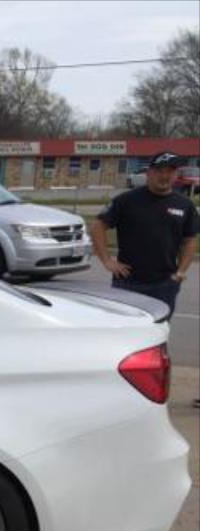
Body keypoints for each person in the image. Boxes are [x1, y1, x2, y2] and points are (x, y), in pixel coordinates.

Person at [91, 151, 198, 405]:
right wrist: (108, 261)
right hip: (128, 284)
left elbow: (191, 239)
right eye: (160, 170)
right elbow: (98, 225)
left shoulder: (184, 206)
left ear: (176, 175)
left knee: (157, 338)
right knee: (123, 337)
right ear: (148, 173)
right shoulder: (127, 201)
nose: (165, 176)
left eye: (170, 171)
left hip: (164, 285)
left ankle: (153, 391)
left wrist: (181, 271)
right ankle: (117, 389)